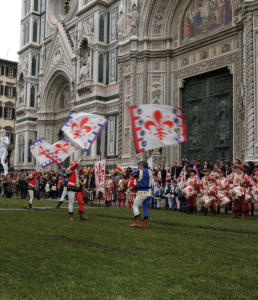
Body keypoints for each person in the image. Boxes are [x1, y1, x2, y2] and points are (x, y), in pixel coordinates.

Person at [129, 160, 153, 228]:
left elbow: (133, 174)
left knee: (135, 206)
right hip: (149, 192)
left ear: (142, 166)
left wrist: (135, 168)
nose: (139, 166)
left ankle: (137, 222)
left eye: (140, 165)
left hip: (142, 192)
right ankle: (144, 224)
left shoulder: (140, 172)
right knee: (145, 208)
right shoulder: (150, 171)